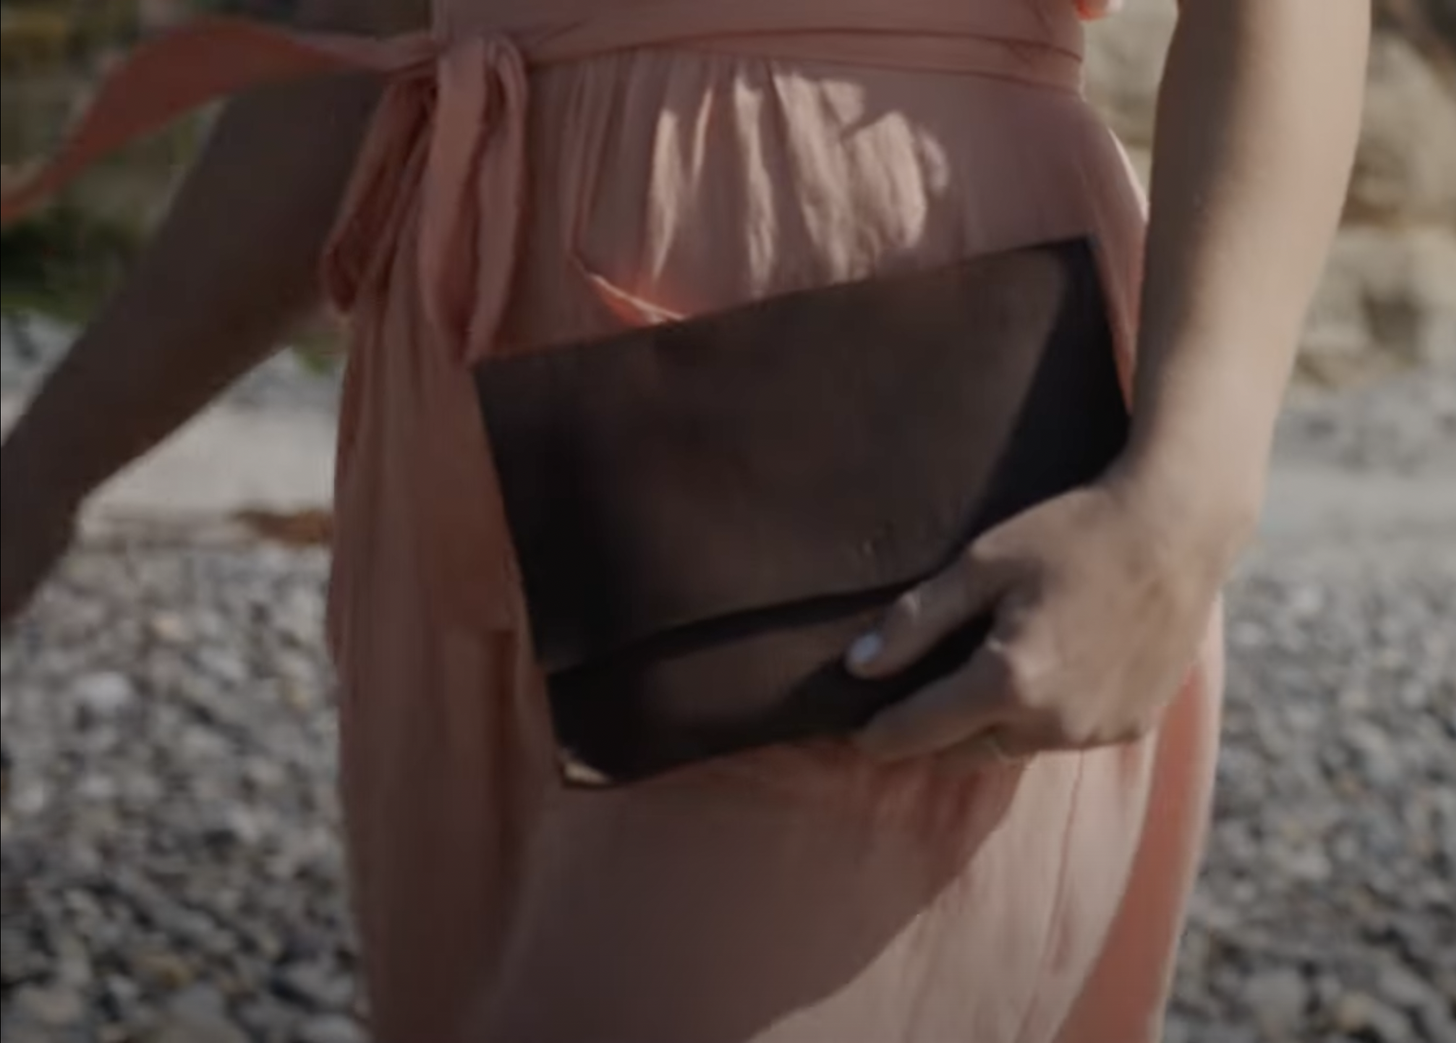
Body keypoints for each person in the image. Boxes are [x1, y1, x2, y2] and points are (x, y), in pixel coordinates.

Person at [0, 0, 1367, 1039]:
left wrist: (1186, 505)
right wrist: (43, 472)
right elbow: (354, 37)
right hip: (451, 440)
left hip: (868, 383)